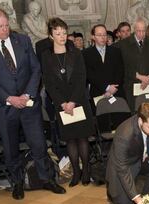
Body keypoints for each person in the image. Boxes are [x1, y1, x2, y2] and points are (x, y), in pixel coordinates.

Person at [0, 8, 66, 200]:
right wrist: (10, 98)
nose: (5, 29)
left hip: (28, 103)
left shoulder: (23, 40)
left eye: (6, 25)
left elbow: (35, 69)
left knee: (38, 144)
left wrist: (27, 93)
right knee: (11, 148)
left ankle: (46, 179)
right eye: (0, 26)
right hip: (3, 106)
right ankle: (18, 182)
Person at [41, 17, 95, 187]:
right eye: (58, 33)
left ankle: (86, 170)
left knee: (82, 138)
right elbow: (48, 83)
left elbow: (81, 78)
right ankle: (76, 172)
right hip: (62, 104)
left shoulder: (75, 53)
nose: (62, 36)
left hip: (78, 101)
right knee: (70, 140)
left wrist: (72, 101)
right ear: (51, 35)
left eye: (64, 33)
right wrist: (63, 103)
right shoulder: (46, 56)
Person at [106, 102, 149, 204]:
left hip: (140, 158)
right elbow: (122, 169)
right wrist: (136, 198)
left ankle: (146, 201)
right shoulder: (125, 134)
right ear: (140, 120)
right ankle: (113, 192)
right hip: (124, 165)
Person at [114, 18, 149, 110]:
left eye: (143, 31)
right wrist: (138, 76)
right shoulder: (123, 44)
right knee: (136, 114)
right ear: (134, 29)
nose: (141, 33)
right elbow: (121, 66)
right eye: (139, 31)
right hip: (132, 85)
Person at [83, 24, 124, 108]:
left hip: (116, 91)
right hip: (98, 92)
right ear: (93, 37)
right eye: (99, 35)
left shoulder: (116, 51)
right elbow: (89, 74)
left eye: (104, 35)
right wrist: (106, 87)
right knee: (101, 119)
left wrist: (112, 89)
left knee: (120, 118)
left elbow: (120, 71)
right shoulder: (86, 54)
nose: (103, 37)